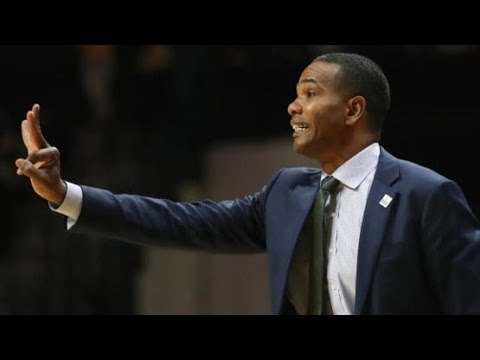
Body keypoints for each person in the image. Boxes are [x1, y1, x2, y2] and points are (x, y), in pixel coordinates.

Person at [15, 53, 480, 315]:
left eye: (310, 94)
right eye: (296, 95)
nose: (293, 108)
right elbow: (179, 222)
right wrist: (64, 194)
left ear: (354, 110)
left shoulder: (426, 195)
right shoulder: (286, 193)